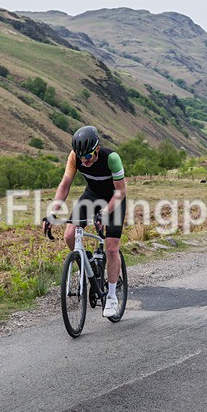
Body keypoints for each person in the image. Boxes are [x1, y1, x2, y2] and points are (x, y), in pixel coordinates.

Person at [44, 126, 127, 317]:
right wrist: (52, 213)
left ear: (97, 149)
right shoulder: (75, 157)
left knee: (112, 248)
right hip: (92, 195)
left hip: (114, 199)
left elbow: (120, 192)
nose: (84, 161)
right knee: (69, 235)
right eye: (81, 157)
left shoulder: (111, 158)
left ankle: (113, 296)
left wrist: (104, 213)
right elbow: (65, 186)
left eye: (88, 157)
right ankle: (88, 262)